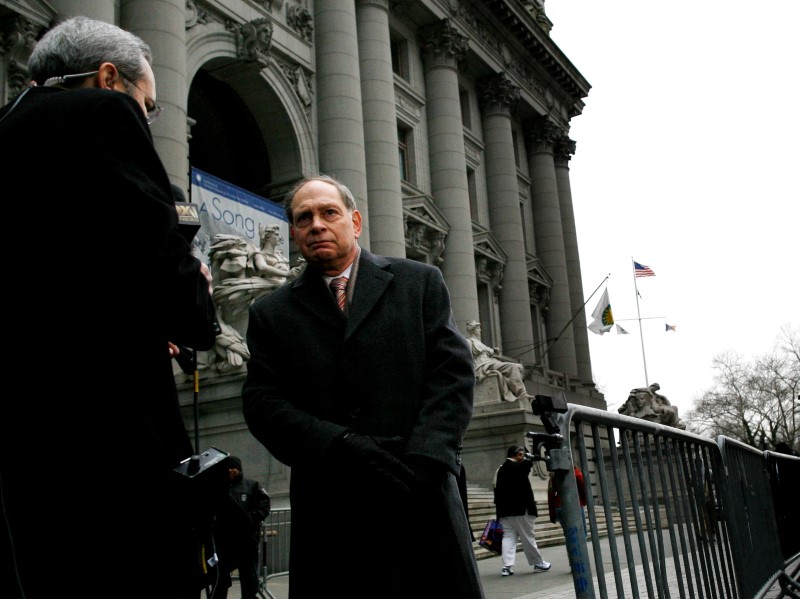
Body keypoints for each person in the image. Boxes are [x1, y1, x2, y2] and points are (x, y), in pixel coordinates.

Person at [0, 16, 218, 599]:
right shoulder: (103, 114)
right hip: (112, 423)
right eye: (148, 107)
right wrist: (195, 298)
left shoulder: (7, 128)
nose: (145, 119)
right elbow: (156, 260)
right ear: (107, 78)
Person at [242, 174, 484, 598]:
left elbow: (452, 373)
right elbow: (263, 404)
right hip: (331, 508)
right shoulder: (270, 313)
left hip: (419, 496)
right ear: (294, 234)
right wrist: (339, 444)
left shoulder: (419, 282)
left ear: (354, 222)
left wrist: (427, 458)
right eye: (304, 218)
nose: (317, 224)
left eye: (328, 212)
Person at [214, 456, 271, 599]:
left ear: (239, 469)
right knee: (220, 579)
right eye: (228, 468)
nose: (231, 470)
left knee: (249, 579)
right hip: (224, 542)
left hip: (247, 542)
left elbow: (264, 505)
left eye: (234, 467)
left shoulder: (252, 485)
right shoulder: (218, 487)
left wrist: (251, 519)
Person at [493, 446, 551, 576]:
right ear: (514, 455)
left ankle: (507, 566)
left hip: (505, 512)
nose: (522, 457)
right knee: (528, 537)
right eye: (520, 455)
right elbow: (525, 468)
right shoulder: (515, 467)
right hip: (520, 510)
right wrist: (530, 458)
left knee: (509, 537)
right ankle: (537, 563)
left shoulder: (500, 469)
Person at [466, 319, 530, 402]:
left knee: (519, 367)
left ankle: (516, 392)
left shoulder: (479, 342)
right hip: (482, 365)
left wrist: (493, 350)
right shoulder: (468, 342)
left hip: (490, 362)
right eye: (478, 328)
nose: (480, 330)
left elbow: (487, 351)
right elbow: (467, 358)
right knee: (512, 367)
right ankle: (521, 394)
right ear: (473, 330)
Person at [548, 466, 588, 539]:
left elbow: (551, 494)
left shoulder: (554, 475)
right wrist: (584, 501)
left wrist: (552, 514)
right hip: (575, 504)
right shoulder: (575, 473)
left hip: (559, 506)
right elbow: (583, 487)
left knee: (569, 535)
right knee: (581, 534)